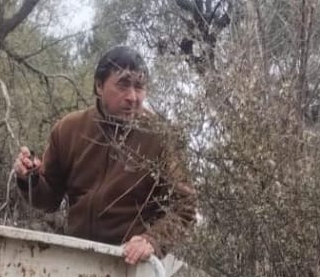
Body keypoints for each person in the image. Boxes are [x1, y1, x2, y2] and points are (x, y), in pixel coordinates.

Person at [13, 46, 196, 265]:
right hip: (75, 256)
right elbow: (49, 200)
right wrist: (30, 179)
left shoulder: (160, 137)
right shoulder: (69, 129)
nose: (132, 97)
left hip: (130, 264)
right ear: (99, 86)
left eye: (139, 86)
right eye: (123, 84)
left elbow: (185, 207)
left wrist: (152, 241)